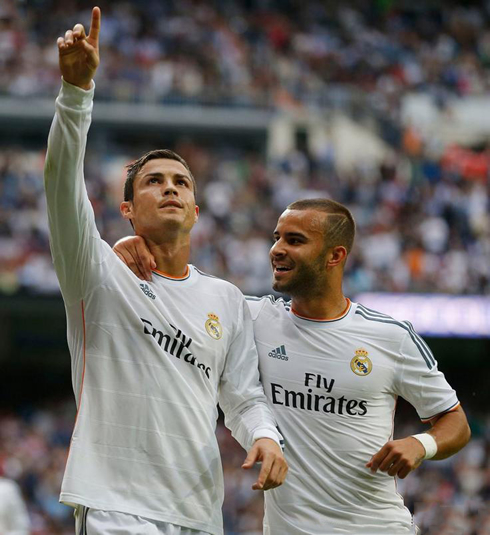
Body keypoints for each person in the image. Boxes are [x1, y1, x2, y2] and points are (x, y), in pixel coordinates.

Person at [44, 7, 287, 535]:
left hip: (198, 513)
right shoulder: (97, 273)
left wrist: (265, 436)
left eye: (181, 181)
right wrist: (76, 94)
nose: (171, 187)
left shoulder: (225, 298)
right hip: (115, 506)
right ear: (127, 208)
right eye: (153, 181)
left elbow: (242, 396)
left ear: (197, 210)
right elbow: (62, 187)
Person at [116, 198, 471, 534]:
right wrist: (129, 250)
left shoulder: (389, 337)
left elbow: (455, 421)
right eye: (277, 238)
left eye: (295, 240)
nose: (277, 249)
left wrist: (421, 444)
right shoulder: (252, 317)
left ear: (335, 255)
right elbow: (183, 291)